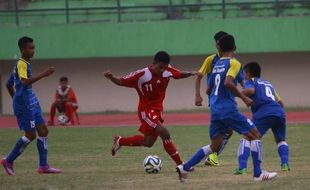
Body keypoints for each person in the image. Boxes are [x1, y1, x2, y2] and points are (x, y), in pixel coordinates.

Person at [176, 35, 277, 182]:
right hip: (227, 109)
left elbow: (209, 89)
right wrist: (244, 97)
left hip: (215, 110)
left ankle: (185, 168)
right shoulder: (234, 63)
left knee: (215, 146)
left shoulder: (216, 64)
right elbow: (228, 83)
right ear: (235, 48)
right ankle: (258, 174)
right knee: (255, 134)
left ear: (220, 49)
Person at [104, 51, 196, 167]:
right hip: (145, 111)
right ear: (153, 63)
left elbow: (179, 74)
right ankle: (182, 165)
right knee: (164, 133)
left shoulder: (168, 70)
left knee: (148, 142)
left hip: (157, 110)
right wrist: (111, 77)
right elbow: (121, 81)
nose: (162, 70)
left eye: (165, 67)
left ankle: (120, 141)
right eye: (160, 67)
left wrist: (191, 73)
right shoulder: (142, 74)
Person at [0, 36, 61, 175]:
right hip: (25, 106)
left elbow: (9, 83)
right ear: (22, 49)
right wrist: (44, 74)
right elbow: (25, 82)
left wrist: (15, 97)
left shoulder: (24, 64)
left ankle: (43, 166)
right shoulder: (21, 64)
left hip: (32, 102)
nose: (33, 50)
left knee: (44, 131)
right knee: (30, 135)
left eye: (34, 48)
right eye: (30, 48)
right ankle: (8, 160)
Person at [234, 62, 289, 175]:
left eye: (244, 73)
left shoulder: (250, 81)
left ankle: (242, 167)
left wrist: (235, 93)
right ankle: (285, 164)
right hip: (279, 112)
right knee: (280, 140)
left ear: (248, 74)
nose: (244, 76)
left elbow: (251, 91)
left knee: (248, 137)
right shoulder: (268, 83)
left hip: (264, 112)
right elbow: (281, 103)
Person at [195, 31, 233, 166]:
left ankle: (212, 157)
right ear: (217, 44)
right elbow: (199, 76)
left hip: (227, 101)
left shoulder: (230, 60)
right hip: (217, 101)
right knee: (227, 130)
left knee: (227, 131)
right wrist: (198, 95)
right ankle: (211, 157)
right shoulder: (211, 59)